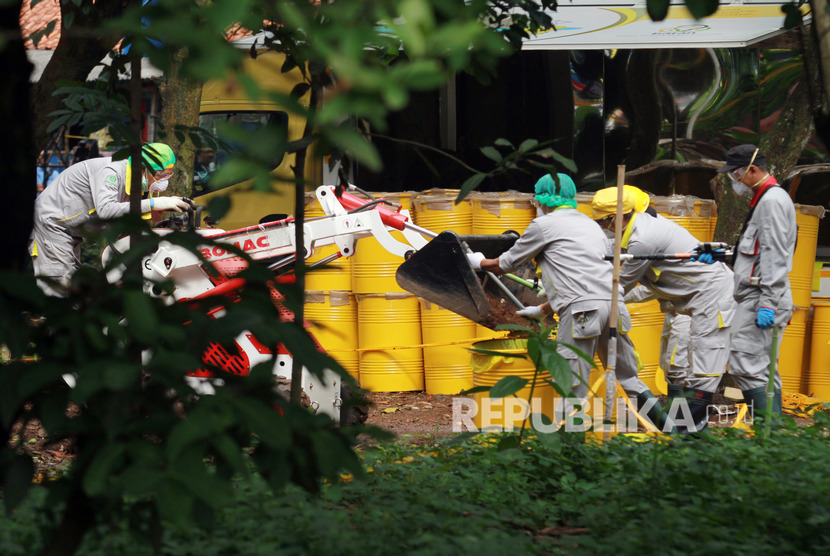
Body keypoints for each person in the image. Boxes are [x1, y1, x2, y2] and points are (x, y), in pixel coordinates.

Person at [467, 174, 674, 432]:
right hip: (612, 307)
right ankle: (674, 434)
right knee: (628, 378)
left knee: (571, 381)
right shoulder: (589, 224)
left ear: (542, 199)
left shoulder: (543, 225)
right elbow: (582, 277)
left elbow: (506, 264)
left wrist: (478, 262)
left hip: (581, 312)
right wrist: (543, 309)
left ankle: (570, 452)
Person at [591, 185, 735, 433]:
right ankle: (679, 432)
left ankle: (687, 439)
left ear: (616, 218)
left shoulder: (643, 239)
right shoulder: (635, 233)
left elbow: (618, 285)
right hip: (692, 299)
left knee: (704, 371)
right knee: (686, 369)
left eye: (604, 223)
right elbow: (646, 285)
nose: (605, 229)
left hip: (712, 298)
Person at [30, 142, 191, 297]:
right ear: (144, 168)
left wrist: (162, 207)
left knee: (70, 280)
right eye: (162, 174)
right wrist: (153, 203)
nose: (165, 180)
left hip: (69, 228)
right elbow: (106, 210)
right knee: (58, 281)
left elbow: (128, 212)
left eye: (169, 174)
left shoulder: (134, 181)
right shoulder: (112, 172)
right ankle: (55, 322)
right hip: (51, 223)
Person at [713, 144, 796, 419]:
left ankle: (768, 435)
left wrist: (769, 303)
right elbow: (759, 249)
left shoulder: (771, 201)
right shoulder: (765, 199)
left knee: (746, 364)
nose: (734, 181)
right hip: (758, 295)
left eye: (736, 174)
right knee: (758, 367)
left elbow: (774, 253)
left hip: (762, 297)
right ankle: (771, 438)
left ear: (752, 170)